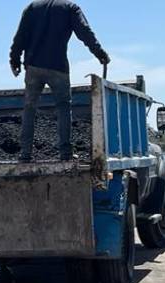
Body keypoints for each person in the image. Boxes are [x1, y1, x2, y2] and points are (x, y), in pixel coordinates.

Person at [10, 0, 109, 162]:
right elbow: (85, 32)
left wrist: (14, 60)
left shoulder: (31, 8)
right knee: (63, 107)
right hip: (58, 67)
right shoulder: (69, 8)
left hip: (33, 66)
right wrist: (100, 53)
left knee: (29, 108)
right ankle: (65, 153)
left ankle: (25, 154)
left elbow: (20, 36)